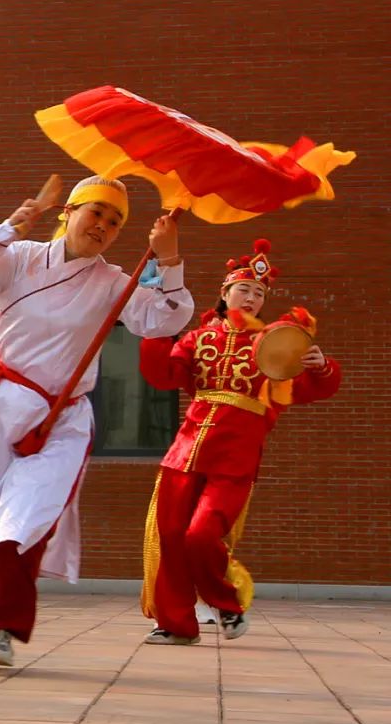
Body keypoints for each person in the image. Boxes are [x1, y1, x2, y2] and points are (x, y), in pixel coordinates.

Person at [0, 176, 194, 670]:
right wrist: (7, 226)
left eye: (115, 222)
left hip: (64, 418)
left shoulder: (112, 281)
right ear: (69, 211)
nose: (103, 227)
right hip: (3, 404)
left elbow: (163, 321)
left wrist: (168, 259)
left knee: (28, 518)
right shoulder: (19, 256)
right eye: (96, 214)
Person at [139, 239, 340, 645]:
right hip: (185, 451)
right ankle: (176, 623)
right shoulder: (197, 339)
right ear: (225, 292)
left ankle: (226, 605)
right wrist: (155, 332)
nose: (251, 298)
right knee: (173, 537)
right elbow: (164, 377)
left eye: (259, 293)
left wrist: (321, 368)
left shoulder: (274, 343)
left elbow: (307, 388)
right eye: (244, 289)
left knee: (200, 534)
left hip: (235, 459)